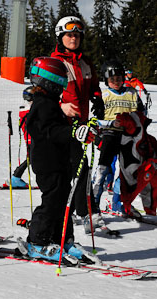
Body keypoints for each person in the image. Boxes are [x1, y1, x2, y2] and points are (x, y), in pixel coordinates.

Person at [17, 57, 98, 263]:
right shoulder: (43, 105)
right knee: (52, 201)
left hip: (59, 162)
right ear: (49, 81)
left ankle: (62, 239)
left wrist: (81, 130)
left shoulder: (52, 103)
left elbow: (60, 130)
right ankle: (37, 241)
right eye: (61, 81)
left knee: (64, 202)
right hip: (47, 163)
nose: (63, 85)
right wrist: (73, 132)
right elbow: (51, 132)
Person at [51, 16, 104, 227]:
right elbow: (43, 94)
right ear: (60, 36)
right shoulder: (55, 63)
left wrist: (98, 99)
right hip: (60, 125)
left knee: (80, 167)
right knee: (71, 169)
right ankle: (80, 212)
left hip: (80, 125)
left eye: (76, 35)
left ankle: (78, 211)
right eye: (69, 34)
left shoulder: (85, 63)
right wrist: (60, 106)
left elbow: (94, 86)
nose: (73, 38)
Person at [92, 60, 145, 221]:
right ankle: (93, 206)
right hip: (109, 135)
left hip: (128, 137)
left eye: (119, 78)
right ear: (106, 80)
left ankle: (119, 204)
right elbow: (95, 119)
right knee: (103, 171)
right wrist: (101, 129)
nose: (116, 82)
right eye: (112, 79)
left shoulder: (132, 93)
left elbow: (141, 114)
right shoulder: (104, 95)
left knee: (127, 173)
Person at [6, 86, 33, 188]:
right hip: (32, 139)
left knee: (31, 158)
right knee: (31, 158)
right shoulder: (29, 111)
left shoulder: (26, 110)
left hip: (30, 139)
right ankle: (15, 177)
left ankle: (16, 177)